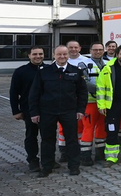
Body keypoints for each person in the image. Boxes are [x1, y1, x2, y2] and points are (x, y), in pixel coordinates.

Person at [28, 45, 88, 177]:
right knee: (47, 140)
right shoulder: (44, 71)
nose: (62, 57)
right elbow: (34, 93)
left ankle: (74, 166)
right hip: (47, 112)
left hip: (69, 111)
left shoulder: (76, 71)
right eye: (59, 54)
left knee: (72, 140)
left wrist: (80, 110)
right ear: (54, 56)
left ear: (68, 55)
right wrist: (34, 112)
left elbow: (82, 93)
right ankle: (47, 166)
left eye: (65, 54)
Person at [10, 46, 46, 172]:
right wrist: (16, 111)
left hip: (47, 109)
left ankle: (48, 159)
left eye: (40, 54)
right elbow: (13, 92)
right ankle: (33, 160)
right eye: (35, 54)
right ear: (29, 55)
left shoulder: (50, 69)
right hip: (29, 109)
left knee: (48, 136)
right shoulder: (20, 72)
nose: (38, 56)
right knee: (31, 135)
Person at [80, 42, 109, 165]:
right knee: (88, 127)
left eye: (100, 50)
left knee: (102, 127)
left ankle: (100, 153)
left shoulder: (108, 64)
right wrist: (101, 90)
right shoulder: (83, 64)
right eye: (95, 50)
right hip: (90, 102)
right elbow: (84, 83)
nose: (98, 52)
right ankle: (85, 155)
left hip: (105, 102)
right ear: (90, 50)